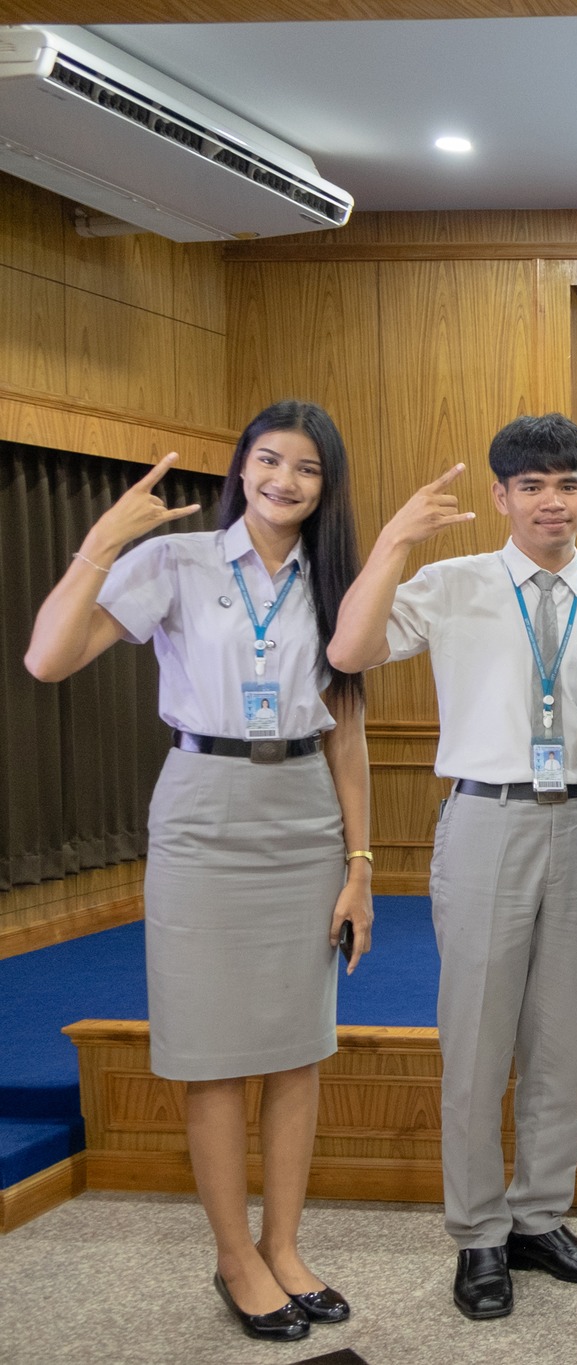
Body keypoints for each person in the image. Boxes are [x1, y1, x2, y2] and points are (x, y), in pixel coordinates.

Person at [24, 403, 372, 1343]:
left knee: (300, 1045)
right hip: (204, 805)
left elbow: (351, 731)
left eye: (306, 468)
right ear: (240, 467)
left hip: (303, 811)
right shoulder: (175, 562)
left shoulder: (333, 578)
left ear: (326, 487)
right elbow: (47, 657)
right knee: (214, 1052)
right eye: (268, 460)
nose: (284, 481)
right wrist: (100, 542)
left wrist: (361, 864)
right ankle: (234, 1256)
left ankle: (285, 1244)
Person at [326, 413, 577, 1321]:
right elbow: (348, 651)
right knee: (476, 1038)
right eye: (532, 484)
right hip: (485, 817)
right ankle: (477, 1234)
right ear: (501, 496)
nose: (553, 500)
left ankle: (540, 1216)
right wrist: (391, 542)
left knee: (560, 1037)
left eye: (568, 482)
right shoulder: (452, 583)